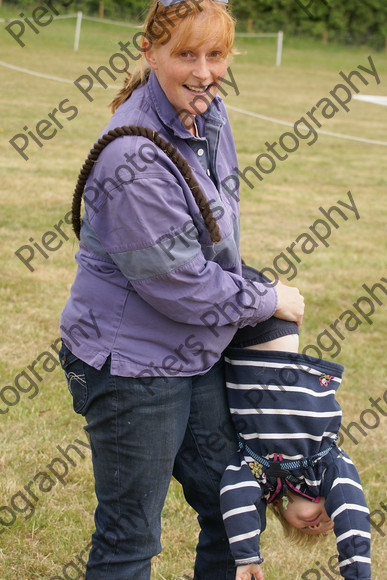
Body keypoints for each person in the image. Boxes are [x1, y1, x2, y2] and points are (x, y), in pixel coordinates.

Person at [58, 0, 305, 578]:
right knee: (130, 540)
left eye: (215, 54)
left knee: (232, 510)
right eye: (185, 54)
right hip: (132, 368)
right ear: (149, 52)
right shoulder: (132, 154)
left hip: (194, 353)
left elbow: (217, 241)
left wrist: (249, 294)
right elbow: (180, 284)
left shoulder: (208, 117)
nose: (203, 71)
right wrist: (269, 302)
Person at [219, 338, 372, 580]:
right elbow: (353, 517)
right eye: (327, 519)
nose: (315, 524)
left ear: (284, 515)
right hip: (277, 346)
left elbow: (236, 497)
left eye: (308, 529)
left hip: (245, 363)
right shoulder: (327, 465)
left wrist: (247, 557)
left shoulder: (262, 476)